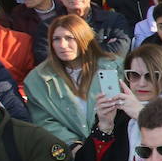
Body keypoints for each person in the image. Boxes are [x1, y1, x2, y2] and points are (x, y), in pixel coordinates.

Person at [23, 15, 122, 148]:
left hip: (116, 144)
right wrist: (72, 145)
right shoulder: (37, 79)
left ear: (84, 39)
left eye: (69, 38)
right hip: (70, 153)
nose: (62, 45)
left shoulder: (115, 67)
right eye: (56, 39)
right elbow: (44, 121)